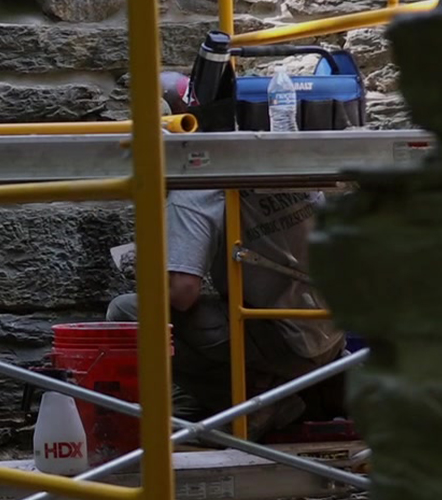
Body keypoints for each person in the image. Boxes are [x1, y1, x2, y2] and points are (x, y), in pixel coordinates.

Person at [106, 75, 346, 439]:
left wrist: (148, 265)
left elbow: (182, 292)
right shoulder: (276, 153)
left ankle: (258, 409)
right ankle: (255, 398)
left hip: (287, 342)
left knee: (128, 311)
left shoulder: (199, 184)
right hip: (335, 331)